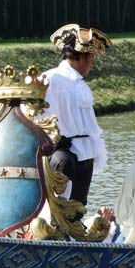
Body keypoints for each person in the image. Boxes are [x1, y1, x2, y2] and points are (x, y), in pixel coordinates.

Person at [42, 23, 112, 206]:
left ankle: (76, 232)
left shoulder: (80, 84)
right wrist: (55, 141)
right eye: (91, 58)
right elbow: (38, 115)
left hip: (84, 152)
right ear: (81, 57)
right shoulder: (51, 78)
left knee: (78, 207)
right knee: (59, 205)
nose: (92, 63)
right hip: (63, 152)